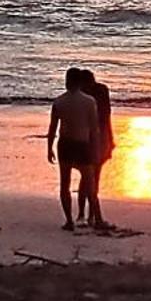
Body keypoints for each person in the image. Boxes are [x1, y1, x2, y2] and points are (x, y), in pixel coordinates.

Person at [45, 67, 101, 233]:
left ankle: (69, 220)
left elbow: (53, 128)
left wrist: (49, 148)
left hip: (65, 144)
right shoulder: (89, 101)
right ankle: (97, 218)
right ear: (80, 83)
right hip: (82, 145)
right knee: (90, 184)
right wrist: (96, 149)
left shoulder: (59, 102)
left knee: (65, 184)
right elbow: (94, 129)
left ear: (67, 81)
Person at [76, 68, 114, 230]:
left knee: (87, 178)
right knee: (92, 177)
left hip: (90, 138)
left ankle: (84, 214)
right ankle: (88, 214)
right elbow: (106, 117)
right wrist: (110, 139)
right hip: (96, 138)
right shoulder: (99, 91)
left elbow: (105, 117)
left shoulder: (83, 95)